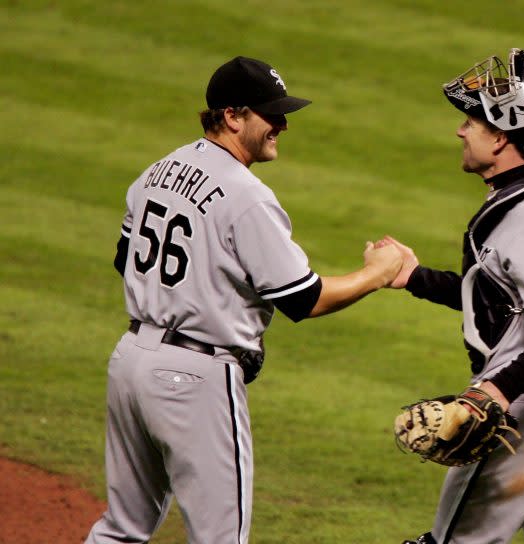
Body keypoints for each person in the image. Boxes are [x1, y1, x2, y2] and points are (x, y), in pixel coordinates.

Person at [85, 56, 402, 544]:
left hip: (129, 362)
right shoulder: (246, 195)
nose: (282, 124)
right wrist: (376, 274)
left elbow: (125, 258)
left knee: (121, 528)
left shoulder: (157, 171)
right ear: (232, 116)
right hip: (195, 377)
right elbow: (305, 299)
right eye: (270, 113)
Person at [387, 49, 524, 543]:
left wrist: (493, 393)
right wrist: (413, 277)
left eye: (472, 120)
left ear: (501, 135)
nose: (461, 131)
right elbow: (502, 306)